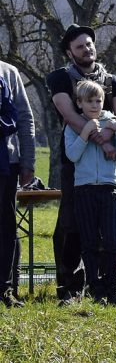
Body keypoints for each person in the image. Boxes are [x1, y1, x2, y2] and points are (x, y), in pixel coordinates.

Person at [46, 24, 116, 303]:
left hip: (111, 162)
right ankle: (71, 288)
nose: (87, 49)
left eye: (89, 43)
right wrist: (101, 138)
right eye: (80, 46)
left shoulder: (112, 80)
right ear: (70, 53)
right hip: (78, 160)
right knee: (72, 224)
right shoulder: (60, 78)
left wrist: (110, 134)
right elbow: (68, 113)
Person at [64, 80, 116, 304]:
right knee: (90, 240)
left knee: (112, 240)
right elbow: (72, 155)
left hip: (110, 187)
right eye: (89, 101)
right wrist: (85, 133)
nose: (94, 105)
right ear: (79, 103)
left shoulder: (109, 122)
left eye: (98, 100)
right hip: (84, 189)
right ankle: (95, 285)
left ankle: (114, 285)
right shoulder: (74, 126)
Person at [0, 57, 34, 308]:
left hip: (6, 163)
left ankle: (5, 288)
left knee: (5, 227)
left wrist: (28, 162)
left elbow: (25, 118)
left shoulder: (8, 72)